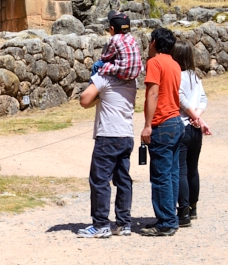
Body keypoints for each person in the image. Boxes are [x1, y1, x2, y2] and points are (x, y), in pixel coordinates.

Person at [76, 24, 138, 238]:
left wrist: (97, 94)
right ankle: (124, 223)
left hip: (108, 135)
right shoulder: (132, 79)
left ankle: (101, 224)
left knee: (100, 179)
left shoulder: (104, 76)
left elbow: (84, 100)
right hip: (126, 134)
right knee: (123, 180)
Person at [140, 27, 183, 237]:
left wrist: (148, 125)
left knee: (160, 176)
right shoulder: (174, 64)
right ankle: (170, 217)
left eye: (150, 41)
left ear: (155, 42)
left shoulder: (154, 63)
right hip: (176, 121)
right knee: (172, 174)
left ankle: (166, 221)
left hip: (162, 123)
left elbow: (153, 94)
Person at [173, 41, 213, 227]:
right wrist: (199, 117)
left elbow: (180, 98)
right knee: (192, 168)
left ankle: (183, 211)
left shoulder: (178, 76)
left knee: (181, 169)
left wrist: (193, 116)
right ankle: (193, 208)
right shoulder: (195, 76)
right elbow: (203, 99)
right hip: (195, 128)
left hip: (183, 125)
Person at [91, 12, 143, 81]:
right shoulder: (131, 37)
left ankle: (93, 86)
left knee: (96, 65)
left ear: (112, 28)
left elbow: (106, 57)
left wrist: (101, 58)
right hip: (136, 73)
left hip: (122, 74)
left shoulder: (115, 39)